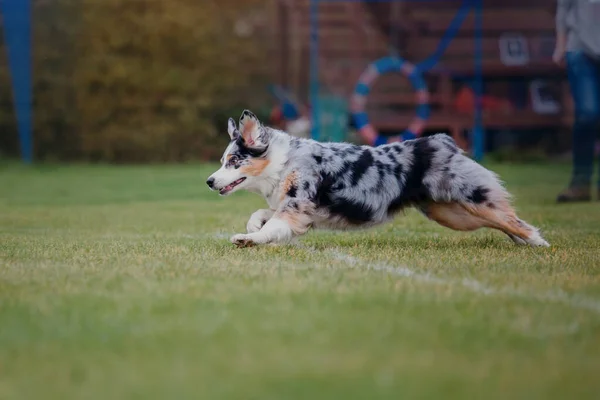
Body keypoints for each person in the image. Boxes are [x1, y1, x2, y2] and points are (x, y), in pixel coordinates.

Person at [553, 0, 600, 203]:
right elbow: (564, 8)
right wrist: (560, 45)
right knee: (587, 114)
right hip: (580, 49)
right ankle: (580, 183)